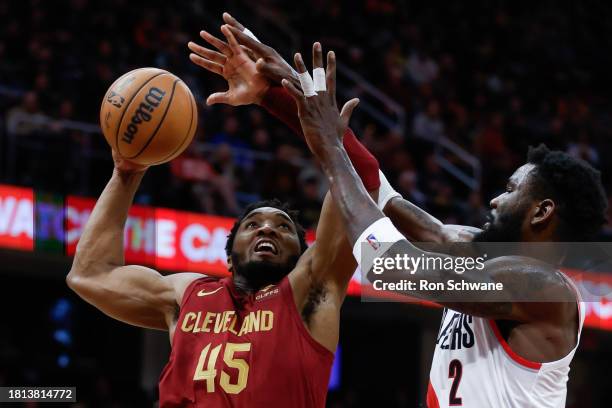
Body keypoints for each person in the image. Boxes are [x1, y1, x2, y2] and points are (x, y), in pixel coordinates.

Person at [278, 41, 607, 407]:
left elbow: (389, 264)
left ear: (542, 212)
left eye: (511, 189)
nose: (496, 199)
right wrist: (282, 91)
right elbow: (382, 193)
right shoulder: (478, 254)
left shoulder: (545, 289)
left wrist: (331, 149)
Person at [66, 39, 383, 406]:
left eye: (282, 228)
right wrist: (127, 172)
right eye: (252, 225)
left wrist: (273, 96)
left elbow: (363, 174)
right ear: (229, 256)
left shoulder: (310, 291)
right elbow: (89, 275)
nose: (266, 228)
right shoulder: (188, 296)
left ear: (302, 256)